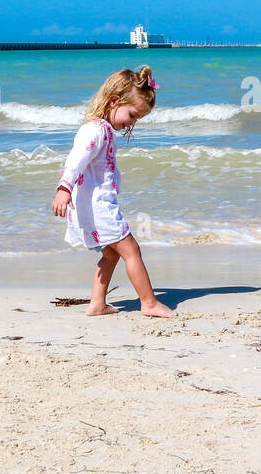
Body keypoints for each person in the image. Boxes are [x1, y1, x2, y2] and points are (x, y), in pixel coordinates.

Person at [50, 65, 174, 317]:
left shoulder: (102, 130)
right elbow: (75, 160)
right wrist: (63, 188)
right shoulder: (96, 130)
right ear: (115, 101)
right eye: (132, 115)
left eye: (137, 119)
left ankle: (97, 304)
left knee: (111, 255)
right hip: (99, 207)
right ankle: (149, 303)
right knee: (131, 251)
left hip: (93, 206)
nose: (133, 122)